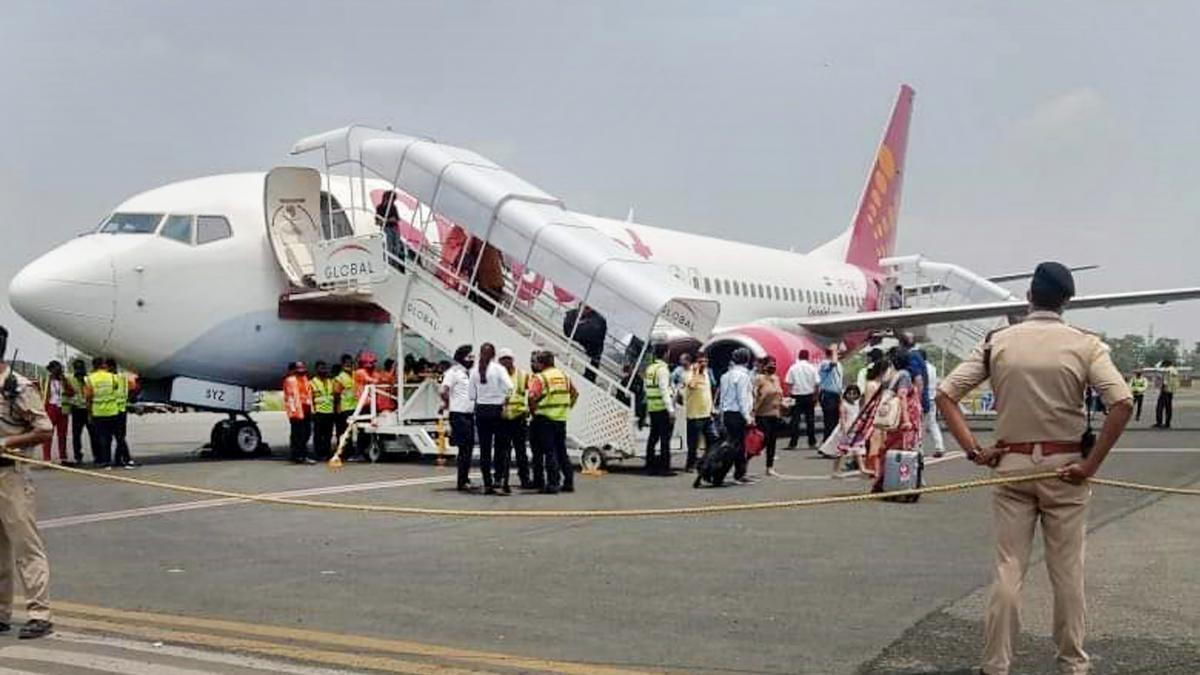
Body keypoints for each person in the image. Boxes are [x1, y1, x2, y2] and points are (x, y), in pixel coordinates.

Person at [935, 262, 1132, 675]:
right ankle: (1072, 660)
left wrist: (974, 450)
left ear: (1029, 296)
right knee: (1066, 570)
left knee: (1009, 567)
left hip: (1013, 465)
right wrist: (1091, 464)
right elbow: (1122, 402)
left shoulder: (998, 342)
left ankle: (996, 662)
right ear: (1067, 300)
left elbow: (946, 394)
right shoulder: (1085, 344)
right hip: (1066, 468)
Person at [0, 324, 55, 639]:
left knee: (26, 547)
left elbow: (44, 430)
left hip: (13, 474)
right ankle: (1, 613)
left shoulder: (17, 387)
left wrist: (8, 443)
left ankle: (40, 614)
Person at [528, 351, 578, 494]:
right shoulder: (564, 376)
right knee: (561, 451)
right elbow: (575, 394)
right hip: (560, 419)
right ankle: (568, 482)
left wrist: (534, 412)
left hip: (544, 419)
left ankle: (553, 483)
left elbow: (531, 397)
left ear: (542, 363)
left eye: (537, 362)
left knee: (548, 452)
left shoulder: (541, 378)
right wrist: (566, 406)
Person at [469, 343, 513, 495]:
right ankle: (500, 479)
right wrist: (501, 396)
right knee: (501, 447)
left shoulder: (474, 371)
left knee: (485, 449)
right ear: (494, 355)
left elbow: (471, 396)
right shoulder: (499, 369)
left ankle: (487, 483)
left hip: (481, 410)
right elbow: (510, 387)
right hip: (497, 410)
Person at [441, 345, 476, 491]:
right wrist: (448, 404)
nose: (472, 359)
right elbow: (444, 390)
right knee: (465, 448)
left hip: (469, 414)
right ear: (462, 358)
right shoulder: (453, 372)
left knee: (469, 448)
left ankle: (465, 478)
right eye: (469, 357)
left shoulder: (471, 372)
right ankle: (462, 481)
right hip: (459, 414)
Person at [496, 348, 532, 490]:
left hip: (518, 418)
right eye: (503, 359)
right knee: (501, 451)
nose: (506, 362)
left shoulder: (522, 375)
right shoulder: (495, 376)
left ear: (512, 360)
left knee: (521, 451)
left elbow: (532, 393)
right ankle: (499, 478)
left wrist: (529, 409)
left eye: (508, 359)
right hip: (502, 418)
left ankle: (525, 479)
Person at [717, 348, 754, 484]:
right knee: (739, 446)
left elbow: (722, 397)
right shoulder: (743, 376)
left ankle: (726, 472)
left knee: (732, 445)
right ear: (747, 360)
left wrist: (721, 415)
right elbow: (742, 398)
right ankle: (738, 473)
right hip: (738, 414)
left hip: (727, 413)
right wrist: (748, 417)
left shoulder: (725, 375)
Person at [642, 342, 676, 475]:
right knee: (664, 439)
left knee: (653, 437)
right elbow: (664, 391)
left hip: (652, 407)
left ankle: (649, 465)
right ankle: (664, 468)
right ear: (666, 353)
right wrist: (671, 410)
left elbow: (646, 388)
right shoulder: (662, 369)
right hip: (662, 408)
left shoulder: (650, 369)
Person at [84, 357, 118, 468]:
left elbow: (88, 397)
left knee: (101, 437)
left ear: (93, 366)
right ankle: (110, 459)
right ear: (104, 365)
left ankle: (104, 460)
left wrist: (89, 412)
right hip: (112, 411)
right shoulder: (112, 377)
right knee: (110, 437)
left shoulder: (90, 379)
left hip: (98, 412)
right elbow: (116, 389)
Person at [753, 356, 784, 477]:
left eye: (774, 364)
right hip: (762, 414)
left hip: (774, 413)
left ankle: (769, 467)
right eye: (770, 365)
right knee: (763, 440)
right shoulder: (759, 379)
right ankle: (746, 459)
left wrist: (783, 402)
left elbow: (779, 393)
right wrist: (753, 410)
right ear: (764, 366)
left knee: (772, 441)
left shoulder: (776, 379)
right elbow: (755, 394)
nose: (773, 367)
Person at [683, 354, 714, 472]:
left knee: (711, 440)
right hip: (694, 414)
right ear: (696, 362)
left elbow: (708, 393)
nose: (704, 364)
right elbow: (691, 386)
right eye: (701, 361)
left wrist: (711, 409)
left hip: (706, 413)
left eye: (706, 361)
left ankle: (705, 462)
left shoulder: (706, 374)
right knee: (693, 443)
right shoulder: (689, 374)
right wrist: (696, 372)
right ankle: (690, 465)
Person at [784, 349, 819, 449]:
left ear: (799, 357)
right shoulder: (812, 368)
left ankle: (793, 443)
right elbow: (817, 384)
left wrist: (789, 396)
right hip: (809, 395)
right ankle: (812, 442)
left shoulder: (793, 368)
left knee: (795, 420)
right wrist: (816, 396)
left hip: (796, 396)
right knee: (810, 420)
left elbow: (789, 383)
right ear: (807, 357)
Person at [914, 348, 945, 458]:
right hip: (932, 398)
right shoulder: (933, 368)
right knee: (932, 423)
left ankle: (919, 449)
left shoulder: (919, 368)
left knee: (919, 425)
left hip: (922, 398)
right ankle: (939, 446)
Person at [563, 305, 606, 382]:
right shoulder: (572, 314)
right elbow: (568, 331)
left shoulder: (598, 322)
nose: (583, 309)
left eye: (586, 308)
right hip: (585, 350)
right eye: (582, 306)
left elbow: (583, 334)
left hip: (590, 353)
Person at [107, 358, 137, 469]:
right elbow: (133, 389)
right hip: (121, 410)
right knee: (120, 437)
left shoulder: (107, 379)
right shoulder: (123, 378)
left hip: (109, 410)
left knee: (112, 438)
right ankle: (122, 459)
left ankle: (119, 459)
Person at [282, 361, 314, 465]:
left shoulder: (304, 379)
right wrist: (294, 412)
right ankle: (299, 455)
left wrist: (311, 408)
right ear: (293, 370)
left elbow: (308, 394)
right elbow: (291, 398)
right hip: (296, 410)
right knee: (298, 434)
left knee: (306, 432)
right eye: (299, 368)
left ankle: (298, 454)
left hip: (306, 408)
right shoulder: (290, 380)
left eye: (303, 368)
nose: (302, 370)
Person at [39, 361, 68, 464]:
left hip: (62, 408)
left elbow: (71, 392)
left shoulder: (63, 380)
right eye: (57, 369)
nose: (59, 371)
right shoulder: (45, 380)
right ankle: (47, 458)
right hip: (51, 408)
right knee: (48, 434)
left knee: (62, 434)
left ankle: (63, 457)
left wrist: (64, 380)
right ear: (51, 370)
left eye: (60, 368)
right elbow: (41, 393)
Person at [63, 359, 91, 465]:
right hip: (77, 409)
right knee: (76, 435)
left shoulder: (88, 379)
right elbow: (67, 393)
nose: (80, 370)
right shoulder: (70, 379)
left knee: (93, 434)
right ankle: (78, 456)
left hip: (88, 409)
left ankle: (98, 455)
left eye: (81, 368)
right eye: (78, 368)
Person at [831, 385, 863, 475]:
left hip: (856, 429)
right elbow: (842, 419)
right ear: (846, 394)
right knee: (841, 451)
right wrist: (845, 431)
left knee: (858, 450)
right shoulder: (844, 404)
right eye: (850, 393)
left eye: (854, 394)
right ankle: (835, 470)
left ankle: (862, 468)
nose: (852, 396)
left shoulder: (857, 404)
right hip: (847, 430)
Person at [309, 361, 336, 461]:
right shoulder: (312, 382)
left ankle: (327, 453)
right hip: (318, 412)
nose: (323, 370)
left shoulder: (330, 381)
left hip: (329, 412)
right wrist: (312, 411)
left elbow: (333, 395)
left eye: (324, 368)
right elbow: (310, 398)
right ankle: (318, 453)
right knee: (318, 435)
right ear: (316, 370)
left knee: (328, 435)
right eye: (321, 368)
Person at [817, 346, 843, 442]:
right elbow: (833, 363)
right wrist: (834, 352)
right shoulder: (825, 363)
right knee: (830, 421)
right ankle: (827, 443)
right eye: (836, 352)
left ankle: (830, 444)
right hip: (828, 395)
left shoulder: (839, 365)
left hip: (836, 395)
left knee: (835, 421)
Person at [332, 355, 356, 449]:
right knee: (343, 431)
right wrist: (338, 408)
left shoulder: (354, 375)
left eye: (350, 362)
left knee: (350, 431)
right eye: (346, 362)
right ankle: (343, 451)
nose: (349, 364)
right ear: (342, 364)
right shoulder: (340, 378)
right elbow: (336, 394)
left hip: (354, 407)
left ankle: (349, 450)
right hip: (344, 408)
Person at [1153, 360, 1179, 429]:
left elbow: (1165, 381)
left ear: (1165, 365)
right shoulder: (1175, 370)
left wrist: (1162, 387)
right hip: (1171, 390)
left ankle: (1159, 422)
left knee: (1159, 407)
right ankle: (1167, 423)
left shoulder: (1167, 370)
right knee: (1168, 407)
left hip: (1165, 390)